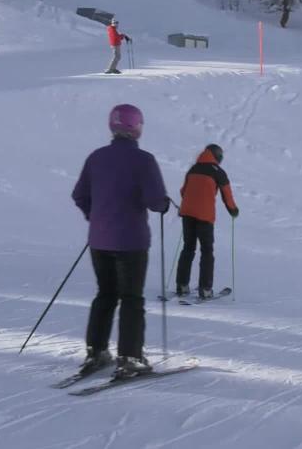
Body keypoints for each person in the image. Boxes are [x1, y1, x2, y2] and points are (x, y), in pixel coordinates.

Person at [72, 104, 169, 377]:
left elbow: (80, 195)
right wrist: (163, 204)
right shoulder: (144, 160)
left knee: (105, 294)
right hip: (131, 241)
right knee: (131, 298)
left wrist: (97, 216)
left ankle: (97, 350)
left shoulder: (96, 158)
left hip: (100, 241)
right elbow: (154, 201)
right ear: (136, 127)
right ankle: (130, 356)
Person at [175, 144, 239, 300]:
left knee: (188, 248)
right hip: (204, 216)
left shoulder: (193, 169)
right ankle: (205, 289)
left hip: (187, 214)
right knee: (207, 251)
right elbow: (227, 195)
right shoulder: (218, 172)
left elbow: (183, 191)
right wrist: (233, 210)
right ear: (217, 157)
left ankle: (182, 285)